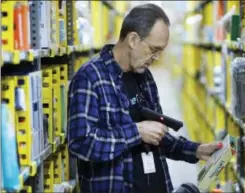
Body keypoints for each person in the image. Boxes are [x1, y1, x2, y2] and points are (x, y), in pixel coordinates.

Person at [67, 3, 223, 193]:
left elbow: (157, 137)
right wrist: (135, 132)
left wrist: (195, 150)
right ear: (133, 39)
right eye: (154, 49)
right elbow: (80, 143)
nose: (157, 57)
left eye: (161, 51)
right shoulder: (90, 77)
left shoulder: (144, 76)